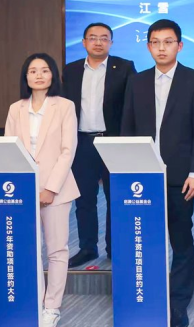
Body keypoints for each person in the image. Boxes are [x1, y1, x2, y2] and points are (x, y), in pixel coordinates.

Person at [121, 19, 194, 327]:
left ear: (179, 46)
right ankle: (147, 297)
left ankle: (178, 304)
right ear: (148, 47)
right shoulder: (136, 81)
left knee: (180, 240)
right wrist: (128, 170)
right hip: (143, 177)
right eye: (155, 42)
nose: (162, 48)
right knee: (144, 238)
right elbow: (127, 128)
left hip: (180, 176)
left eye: (168, 42)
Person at [5, 53, 79, 327]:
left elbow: (68, 151)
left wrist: (50, 188)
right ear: (25, 77)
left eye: (45, 70)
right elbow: (9, 148)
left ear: (53, 76)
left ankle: (52, 307)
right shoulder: (16, 108)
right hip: (23, 190)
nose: (38, 75)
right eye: (33, 71)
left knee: (56, 250)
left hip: (56, 189)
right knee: (28, 248)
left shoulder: (65, 106)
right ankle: (32, 301)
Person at [62, 22, 135, 267]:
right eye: (92, 38)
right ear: (84, 42)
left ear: (111, 43)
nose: (98, 42)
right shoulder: (71, 70)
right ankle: (87, 248)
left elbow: (132, 106)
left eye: (104, 38)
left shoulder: (124, 67)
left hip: (112, 141)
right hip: (82, 141)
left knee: (116, 196)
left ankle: (115, 247)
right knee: (84, 198)